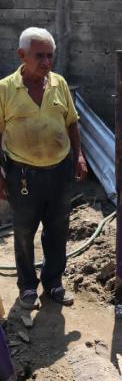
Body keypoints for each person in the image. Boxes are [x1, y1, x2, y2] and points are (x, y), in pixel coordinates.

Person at [0, 27, 88, 310]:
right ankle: (27, 286)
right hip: (22, 175)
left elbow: (72, 122)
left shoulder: (59, 83)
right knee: (24, 232)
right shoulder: (4, 90)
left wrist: (79, 156)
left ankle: (53, 281)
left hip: (59, 172)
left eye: (50, 56)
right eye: (40, 56)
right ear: (21, 55)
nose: (47, 62)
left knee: (58, 228)